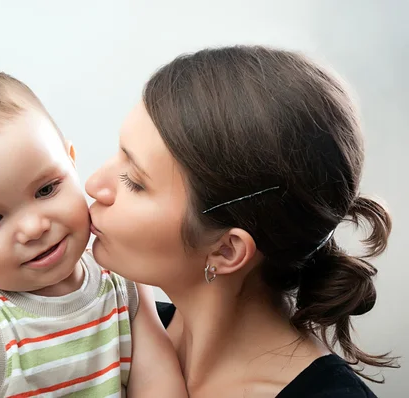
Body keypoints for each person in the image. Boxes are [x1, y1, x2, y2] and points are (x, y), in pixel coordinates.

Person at [85, 45, 399, 397]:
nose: (93, 184)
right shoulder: (96, 339)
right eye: (118, 155)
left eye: (135, 182)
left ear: (227, 250)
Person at [0, 69, 186, 398]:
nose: (34, 228)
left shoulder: (121, 280)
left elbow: (158, 383)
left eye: (46, 189)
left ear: (70, 163)